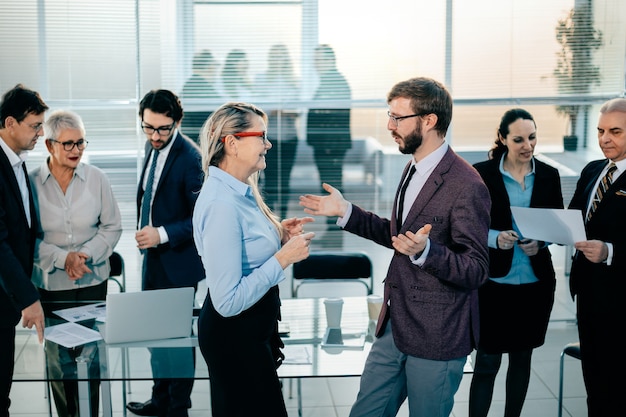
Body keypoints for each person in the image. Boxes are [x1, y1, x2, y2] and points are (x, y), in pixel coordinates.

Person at [299, 76, 491, 417]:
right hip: (394, 326)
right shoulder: (412, 168)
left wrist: (426, 253)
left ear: (429, 120)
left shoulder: (467, 185)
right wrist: (346, 211)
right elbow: (397, 236)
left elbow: (475, 269)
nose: (390, 125)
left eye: (398, 118)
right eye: (390, 116)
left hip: (437, 337)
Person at [192, 102, 315, 416]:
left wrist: (278, 236)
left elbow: (243, 249)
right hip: (234, 339)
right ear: (231, 143)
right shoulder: (222, 204)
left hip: (251, 333)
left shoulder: (238, 191)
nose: (269, 144)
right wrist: (282, 259)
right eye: (261, 136)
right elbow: (228, 301)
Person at [469, 109, 563, 417]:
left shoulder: (549, 175)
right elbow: (465, 227)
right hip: (494, 285)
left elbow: (558, 225)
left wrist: (543, 242)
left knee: (522, 361)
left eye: (532, 137)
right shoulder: (481, 174)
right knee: (487, 362)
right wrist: (495, 237)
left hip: (536, 284)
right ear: (503, 138)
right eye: (519, 139)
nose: (528, 145)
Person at [30, 109, 123, 417]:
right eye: (67, 144)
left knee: (92, 356)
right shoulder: (29, 184)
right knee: (60, 361)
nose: (76, 151)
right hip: (51, 286)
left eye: (81, 143)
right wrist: (62, 259)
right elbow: (24, 239)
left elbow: (112, 227)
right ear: (49, 145)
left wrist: (84, 256)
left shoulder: (97, 178)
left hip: (92, 282)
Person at [126, 89, 205, 417]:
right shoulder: (151, 146)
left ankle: (177, 407)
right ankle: (160, 401)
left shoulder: (191, 158)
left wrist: (160, 233)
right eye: (148, 127)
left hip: (179, 261)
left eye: (163, 129)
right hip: (154, 260)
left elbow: (201, 217)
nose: (155, 136)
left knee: (177, 338)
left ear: (177, 123)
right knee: (155, 333)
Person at [567, 97, 626, 417]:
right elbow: (575, 219)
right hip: (587, 294)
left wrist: (610, 251)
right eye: (601, 131)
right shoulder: (593, 170)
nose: (605, 138)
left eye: (615, 131)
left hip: (620, 298)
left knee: (618, 384)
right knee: (595, 380)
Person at [0, 83, 47, 417]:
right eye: (34, 126)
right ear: (9, 123)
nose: (40, 134)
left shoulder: (18, 162)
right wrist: (28, 298)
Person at [254, 44, 300, 218]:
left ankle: (284, 218)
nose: (279, 60)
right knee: (270, 179)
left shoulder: (294, 81)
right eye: (275, 56)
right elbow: (259, 108)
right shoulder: (262, 79)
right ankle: (270, 217)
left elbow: (298, 109)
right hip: (269, 137)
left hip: (289, 138)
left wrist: (278, 110)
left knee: (284, 180)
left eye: (282, 56)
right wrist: (278, 110)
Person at [306, 44, 352, 194]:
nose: (315, 64)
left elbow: (332, 116)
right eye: (315, 60)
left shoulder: (335, 82)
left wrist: (327, 145)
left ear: (330, 60)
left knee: (331, 187)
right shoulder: (327, 81)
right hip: (327, 143)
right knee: (329, 185)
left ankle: (336, 217)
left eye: (318, 60)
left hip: (330, 145)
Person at [180, 50, 222, 145]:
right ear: (210, 67)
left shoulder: (189, 86)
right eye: (215, 66)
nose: (216, 71)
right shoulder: (203, 89)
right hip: (201, 143)